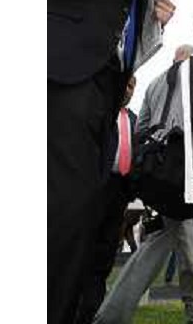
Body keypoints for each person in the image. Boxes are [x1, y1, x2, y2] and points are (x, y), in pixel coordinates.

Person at [47, 0, 176, 324]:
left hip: (107, 98)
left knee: (86, 216)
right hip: (64, 80)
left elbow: (118, 37)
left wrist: (151, 22)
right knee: (62, 210)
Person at [93, 44, 193, 324]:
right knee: (181, 246)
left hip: (157, 173)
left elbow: (141, 129)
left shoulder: (156, 83)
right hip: (187, 174)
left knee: (177, 241)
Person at [74, 76, 139, 324]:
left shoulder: (133, 119)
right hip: (93, 193)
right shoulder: (99, 111)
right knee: (83, 255)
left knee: (104, 257)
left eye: (133, 86)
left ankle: (92, 311)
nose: (128, 90)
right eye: (125, 84)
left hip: (120, 195)